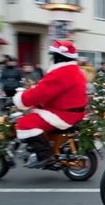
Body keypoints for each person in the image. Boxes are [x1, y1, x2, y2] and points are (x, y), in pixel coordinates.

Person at [12, 40, 88, 168]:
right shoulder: (74, 70)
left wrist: (21, 99)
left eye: (53, 56)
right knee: (36, 112)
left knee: (25, 123)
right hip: (71, 111)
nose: (51, 59)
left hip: (63, 115)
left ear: (59, 57)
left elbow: (40, 93)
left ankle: (45, 155)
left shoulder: (61, 73)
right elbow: (51, 91)